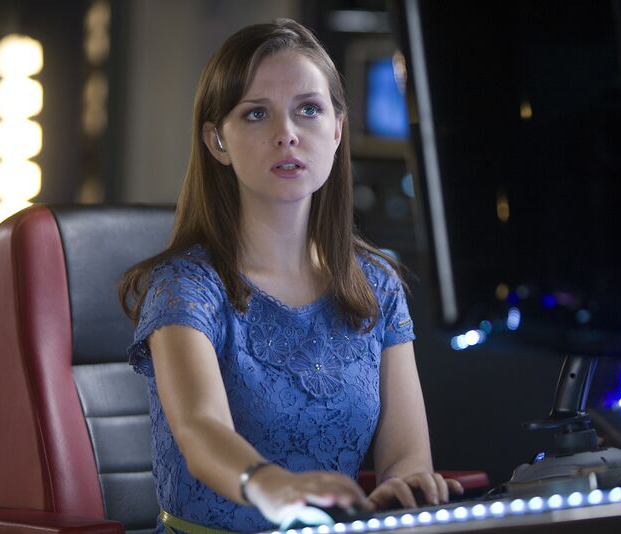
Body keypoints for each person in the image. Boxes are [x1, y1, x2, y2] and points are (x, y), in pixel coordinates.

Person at [119, 18, 462, 534]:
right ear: (217, 141)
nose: (287, 134)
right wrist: (268, 483)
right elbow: (200, 430)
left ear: (337, 129)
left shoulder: (378, 285)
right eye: (256, 113)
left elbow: (405, 459)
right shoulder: (184, 287)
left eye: (309, 109)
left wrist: (407, 487)